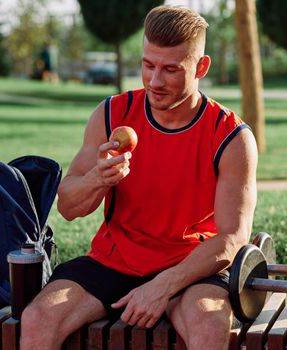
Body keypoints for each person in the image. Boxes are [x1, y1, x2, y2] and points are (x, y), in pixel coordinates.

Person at [21, 5, 257, 349]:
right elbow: (68, 206)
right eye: (148, 65)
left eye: (171, 69)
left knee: (209, 325)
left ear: (201, 67)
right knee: (38, 318)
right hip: (114, 260)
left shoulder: (231, 137)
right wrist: (96, 181)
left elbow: (233, 238)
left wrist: (163, 285)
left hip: (191, 266)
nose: (155, 81)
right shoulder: (112, 114)